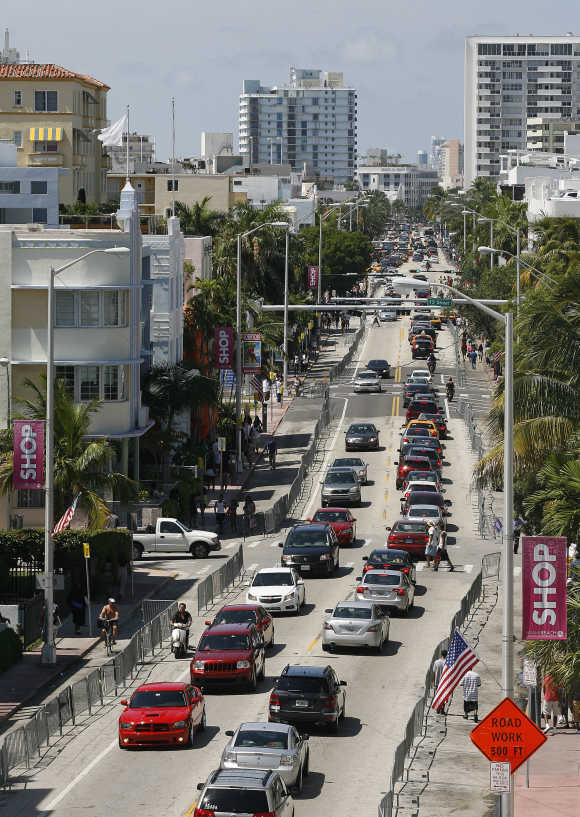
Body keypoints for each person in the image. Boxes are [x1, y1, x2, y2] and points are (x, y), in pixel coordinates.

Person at [432, 649, 448, 713]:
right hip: (444, 682)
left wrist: (433, 681)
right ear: (447, 655)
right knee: (444, 695)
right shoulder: (447, 662)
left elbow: (433, 672)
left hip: (437, 682)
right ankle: (442, 709)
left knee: (437, 695)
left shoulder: (436, 662)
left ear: (441, 654)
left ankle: (438, 708)